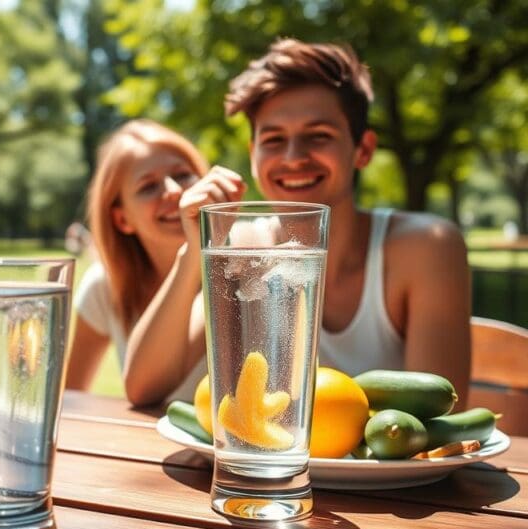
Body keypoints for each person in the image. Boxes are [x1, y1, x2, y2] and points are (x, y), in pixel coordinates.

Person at [124, 39, 471, 407]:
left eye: (318, 136)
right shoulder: (242, 245)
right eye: (274, 140)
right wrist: (195, 249)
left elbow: (440, 414)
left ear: (363, 150)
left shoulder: (427, 247)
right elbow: (143, 387)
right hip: (272, 465)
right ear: (253, 155)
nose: (293, 158)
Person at [65, 119, 245, 400]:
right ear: (122, 219)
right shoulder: (104, 287)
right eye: (148, 186)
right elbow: (70, 399)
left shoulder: (246, 257)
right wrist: (192, 255)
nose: (174, 190)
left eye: (184, 175)